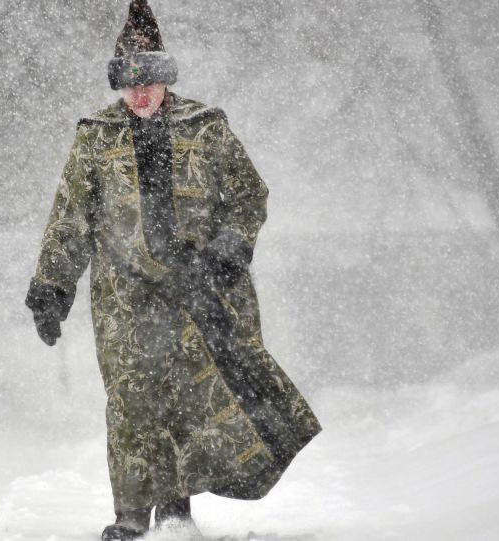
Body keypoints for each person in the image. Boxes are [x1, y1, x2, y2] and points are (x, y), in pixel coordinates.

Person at [25, 2, 321, 540]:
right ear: (119, 86)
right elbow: (70, 217)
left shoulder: (206, 127)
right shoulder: (94, 137)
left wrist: (227, 250)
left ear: (166, 79)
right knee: (133, 398)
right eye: (130, 86)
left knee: (192, 395)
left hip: (198, 287)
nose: (140, 96)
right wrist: (51, 287)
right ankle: (132, 517)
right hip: (124, 296)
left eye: (150, 83)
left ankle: (176, 513)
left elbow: (249, 194)